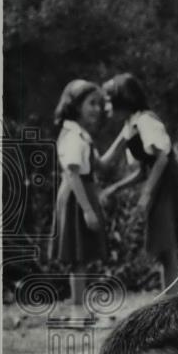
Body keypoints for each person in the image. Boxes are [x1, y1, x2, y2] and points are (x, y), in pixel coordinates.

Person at [101, 74, 178, 291]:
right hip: (159, 182)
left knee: (168, 244)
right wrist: (116, 187)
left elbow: (161, 158)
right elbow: (142, 169)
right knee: (165, 247)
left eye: (109, 101)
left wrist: (147, 194)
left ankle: (173, 297)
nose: (106, 107)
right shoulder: (129, 126)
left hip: (168, 182)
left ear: (122, 100)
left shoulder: (145, 120)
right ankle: (170, 296)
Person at [50, 79, 127, 322]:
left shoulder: (82, 135)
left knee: (83, 257)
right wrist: (87, 210)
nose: (97, 109)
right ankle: (76, 315)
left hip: (82, 192)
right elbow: (72, 173)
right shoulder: (72, 135)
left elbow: (101, 165)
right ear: (75, 105)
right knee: (78, 258)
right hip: (76, 196)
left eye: (99, 104)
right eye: (91, 103)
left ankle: (81, 312)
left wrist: (123, 138)